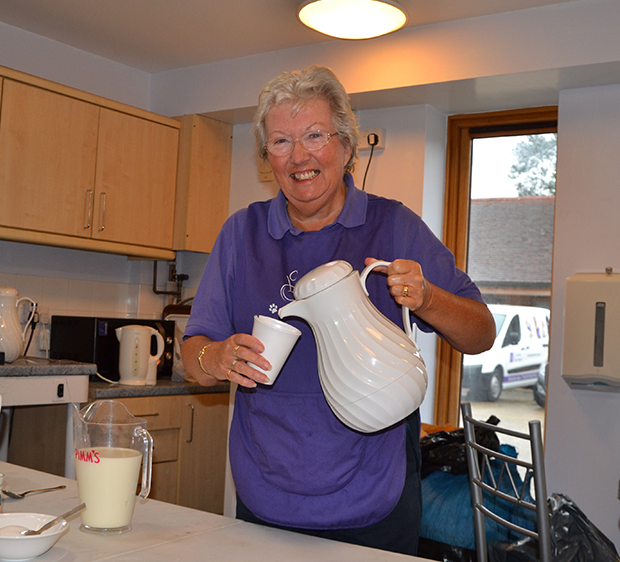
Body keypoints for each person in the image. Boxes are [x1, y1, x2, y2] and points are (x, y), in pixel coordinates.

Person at [182, 65, 495, 555]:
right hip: (266, 495)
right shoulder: (241, 234)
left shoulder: (394, 226)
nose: (299, 156)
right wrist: (214, 358)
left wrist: (429, 297)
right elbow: (194, 352)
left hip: (375, 496)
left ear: (347, 147)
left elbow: (481, 334)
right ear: (267, 158)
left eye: (314, 136)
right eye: (281, 142)